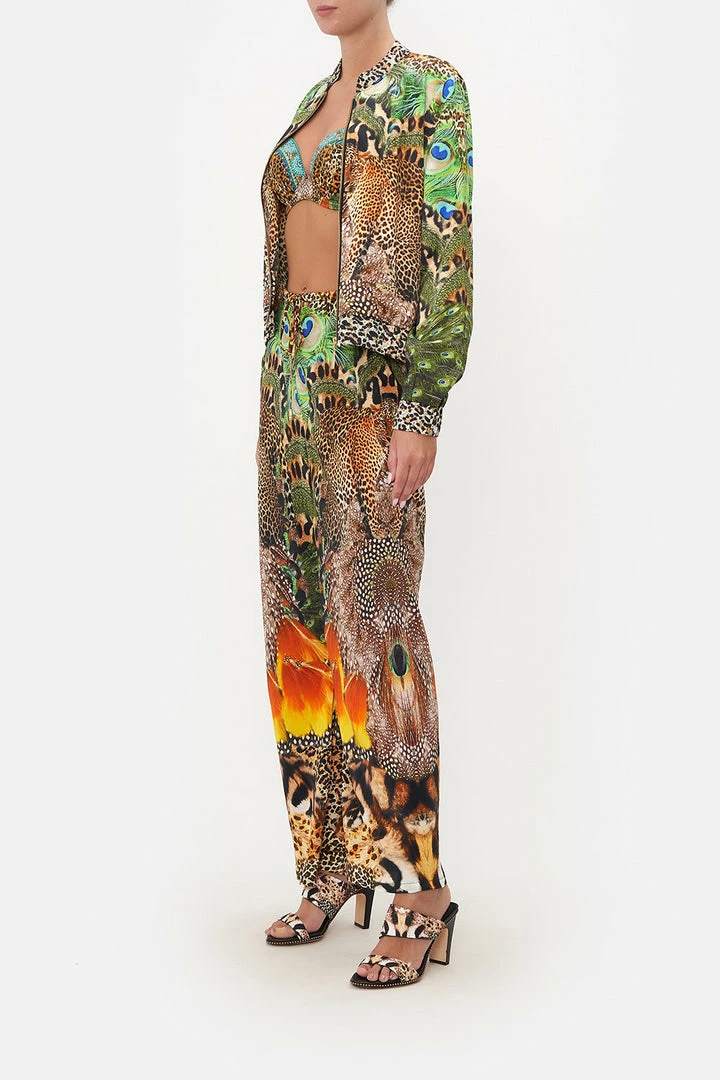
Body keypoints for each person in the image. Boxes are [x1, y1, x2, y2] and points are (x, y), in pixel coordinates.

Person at [256, 0, 473, 988]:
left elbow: (449, 260)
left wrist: (423, 407)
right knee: (298, 629)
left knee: (379, 629)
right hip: (287, 390)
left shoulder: (432, 89)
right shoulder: (313, 100)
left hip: (371, 397)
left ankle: (419, 892)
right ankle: (332, 863)